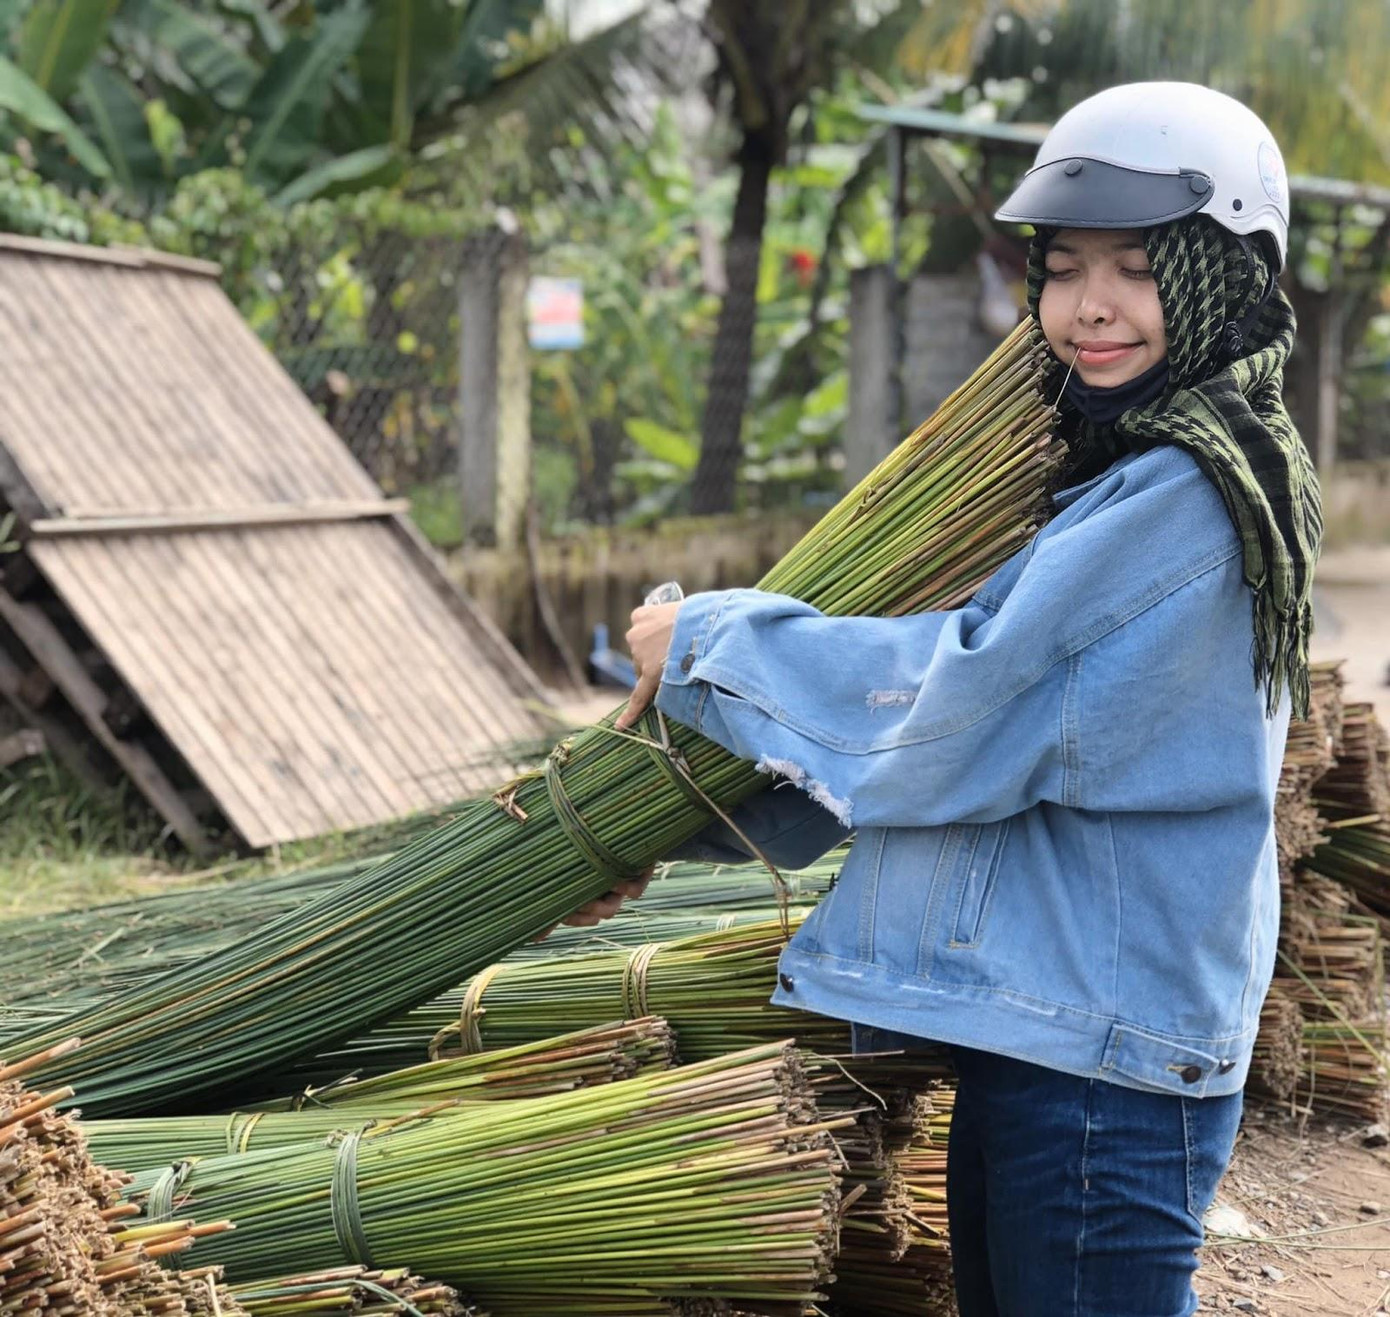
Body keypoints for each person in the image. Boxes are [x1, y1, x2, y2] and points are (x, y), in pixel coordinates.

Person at [610, 82, 1323, 1317]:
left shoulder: (1183, 496)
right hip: (1062, 1029)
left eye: (1138, 266)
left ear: (1230, 272)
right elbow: (1026, 751)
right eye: (1062, 267)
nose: (1088, 305)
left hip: (1099, 1058)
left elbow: (957, 707)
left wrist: (708, 642)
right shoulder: (1147, 468)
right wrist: (680, 829)